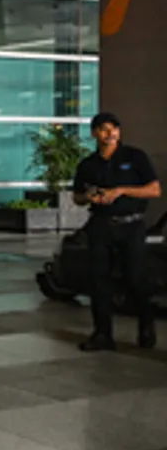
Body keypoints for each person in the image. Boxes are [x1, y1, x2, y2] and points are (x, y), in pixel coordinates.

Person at [71, 112, 162, 351]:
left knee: (135, 277)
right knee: (99, 281)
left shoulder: (135, 157)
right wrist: (89, 197)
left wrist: (121, 190)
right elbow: (77, 197)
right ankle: (102, 334)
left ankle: (146, 325)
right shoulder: (88, 164)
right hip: (101, 226)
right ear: (94, 134)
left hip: (131, 225)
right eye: (104, 129)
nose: (110, 133)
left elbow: (154, 190)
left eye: (114, 129)